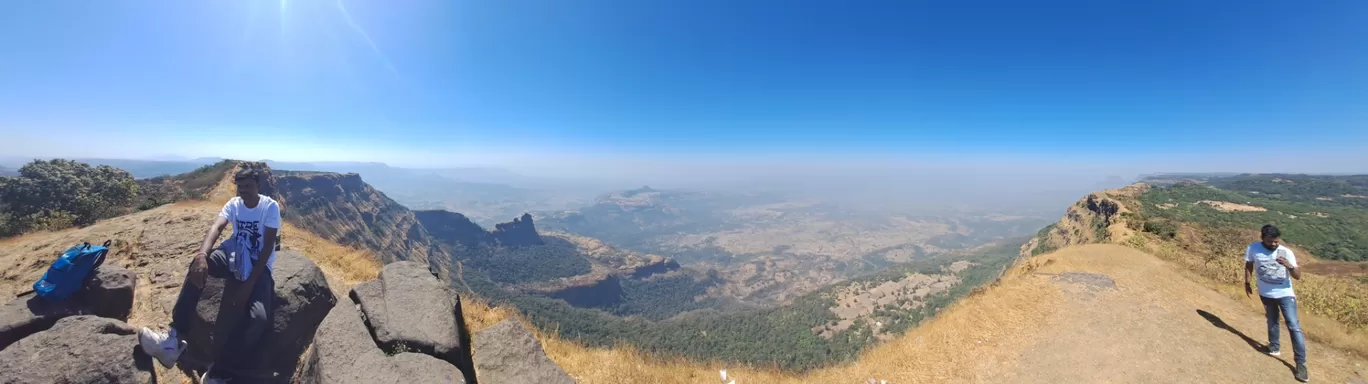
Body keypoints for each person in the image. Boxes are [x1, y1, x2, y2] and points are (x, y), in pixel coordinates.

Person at [138, 168, 281, 380]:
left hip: (258, 266)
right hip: (233, 255)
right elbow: (216, 227)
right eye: (240, 187)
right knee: (198, 267)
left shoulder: (269, 206)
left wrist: (249, 284)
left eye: (248, 186)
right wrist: (202, 255)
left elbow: (268, 247)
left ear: (257, 185)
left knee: (258, 318)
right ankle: (173, 340)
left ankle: (223, 369)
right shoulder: (234, 204)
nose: (244, 191)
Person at [1244, 224, 1308, 382]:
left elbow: (1297, 276)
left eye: (1276, 241)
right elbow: (1249, 264)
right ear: (1262, 238)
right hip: (1265, 293)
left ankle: (1301, 364)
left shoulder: (1286, 252)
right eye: (1270, 241)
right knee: (1272, 320)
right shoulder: (1253, 248)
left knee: (1293, 326)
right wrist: (1247, 282)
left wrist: (1289, 265)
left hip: (1285, 294)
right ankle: (1274, 346)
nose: (1274, 244)